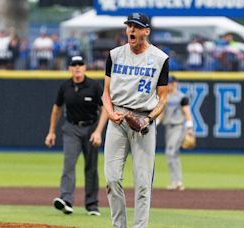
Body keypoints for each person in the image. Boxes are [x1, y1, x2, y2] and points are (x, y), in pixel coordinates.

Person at [102, 12, 169, 228]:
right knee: (112, 179)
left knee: (142, 184)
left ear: (146, 31)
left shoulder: (160, 59)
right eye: (129, 25)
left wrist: (149, 119)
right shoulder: (114, 55)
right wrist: (110, 113)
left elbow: (163, 98)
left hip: (142, 121)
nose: (131, 29)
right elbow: (105, 92)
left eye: (136, 26)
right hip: (118, 118)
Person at [45, 55, 108, 216]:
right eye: (74, 65)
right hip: (71, 128)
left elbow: (105, 109)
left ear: (85, 67)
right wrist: (51, 131)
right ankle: (66, 200)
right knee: (69, 164)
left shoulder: (93, 85)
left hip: (91, 128)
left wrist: (98, 131)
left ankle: (92, 205)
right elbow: (56, 109)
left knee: (91, 167)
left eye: (80, 64)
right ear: (70, 69)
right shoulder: (65, 86)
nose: (77, 67)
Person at [158, 75, 194, 191]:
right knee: (173, 153)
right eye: (168, 83)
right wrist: (155, 123)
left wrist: (189, 129)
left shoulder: (182, 97)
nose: (169, 85)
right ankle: (176, 181)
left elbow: (187, 113)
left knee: (170, 152)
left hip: (179, 127)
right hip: (169, 127)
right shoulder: (164, 96)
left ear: (175, 83)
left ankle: (177, 180)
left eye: (171, 83)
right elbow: (161, 113)